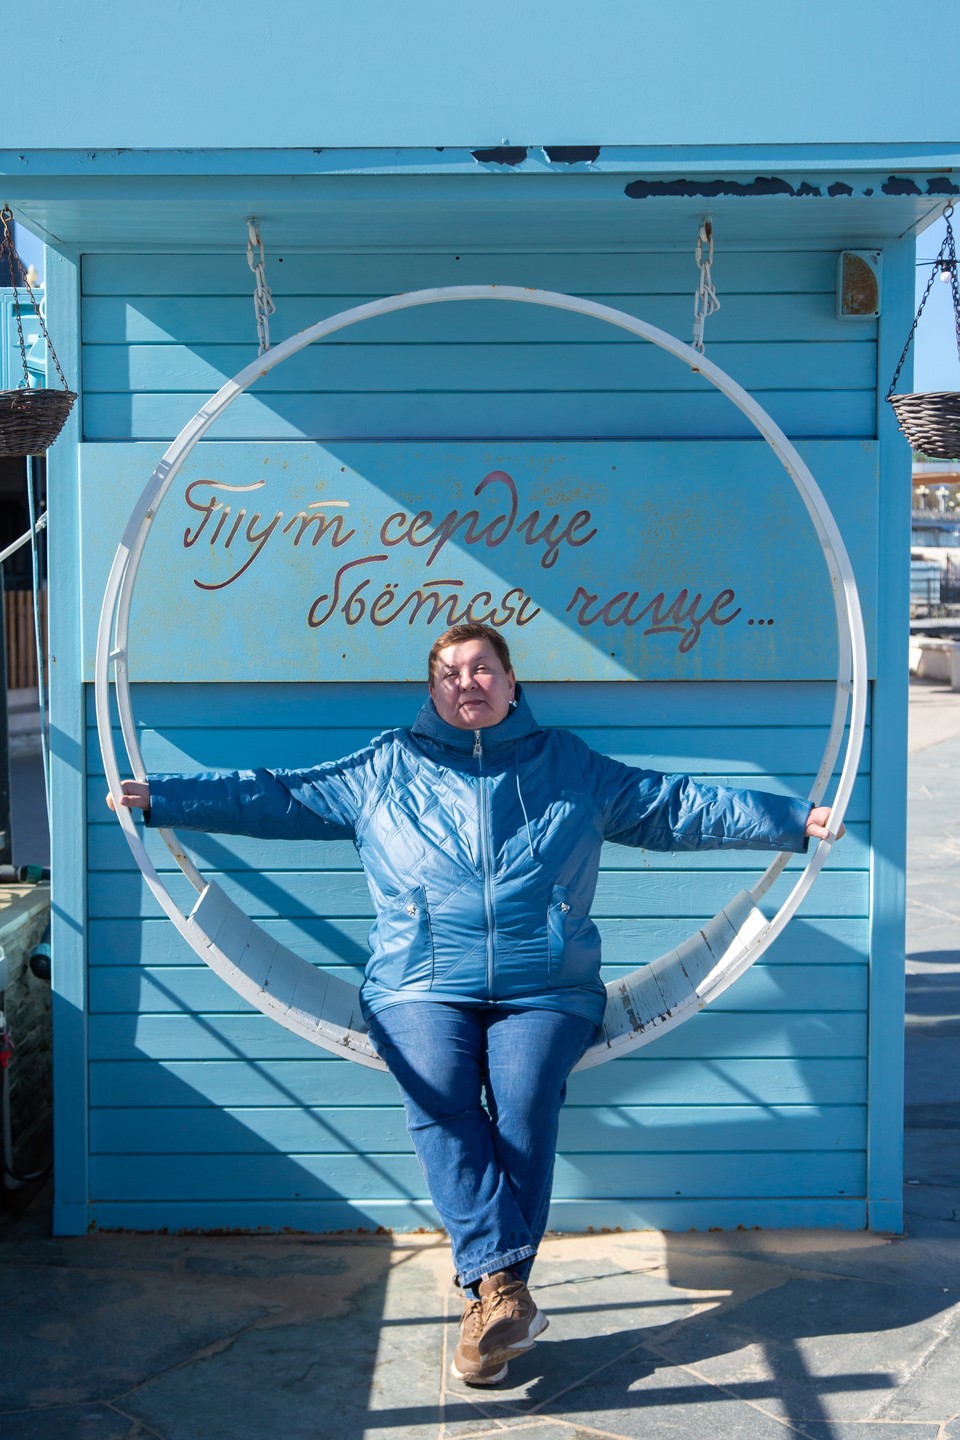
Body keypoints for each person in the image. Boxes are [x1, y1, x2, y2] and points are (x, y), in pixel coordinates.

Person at [109, 622, 840, 1386]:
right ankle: (501, 1290)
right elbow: (277, 796)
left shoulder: (571, 767)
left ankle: (490, 1296)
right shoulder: (384, 766)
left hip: (547, 987)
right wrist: (165, 798)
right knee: (439, 1092)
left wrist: (790, 819)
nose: (468, 682)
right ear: (432, 691)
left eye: (482, 668)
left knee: (525, 1101)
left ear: (512, 682)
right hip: (417, 984)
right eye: (450, 673)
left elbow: (677, 806)